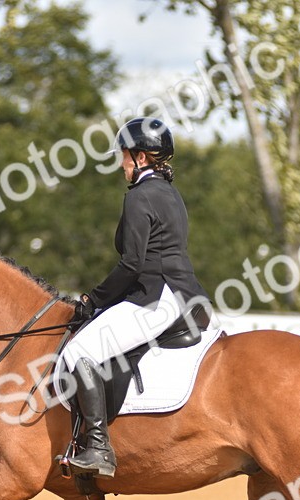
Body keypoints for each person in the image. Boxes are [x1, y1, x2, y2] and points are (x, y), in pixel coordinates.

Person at [62, 117, 211, 478]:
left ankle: (98, 447)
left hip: (154, 299)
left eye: (125, 156)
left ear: (141, 157)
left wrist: (94, 299)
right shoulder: (171, 195)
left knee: (78, 351)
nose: (121, 163)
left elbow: (131, 264)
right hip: (186, 296)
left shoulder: (140, 197)